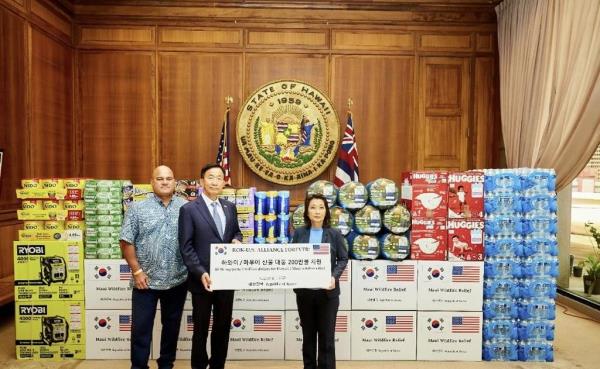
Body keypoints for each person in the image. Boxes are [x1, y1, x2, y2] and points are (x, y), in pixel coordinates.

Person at [120, 165, 188, 369]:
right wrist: (137, 271)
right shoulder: (137, 208)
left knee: (172, 327)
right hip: (145, 281)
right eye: (160, 178)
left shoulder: (185, 207)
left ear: (175, 182)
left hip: (177, 279)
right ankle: (139, 366)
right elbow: (126, 241)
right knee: (141, 328)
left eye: (169, 178)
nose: (165, 182)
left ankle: (166, 364)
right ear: (152, 182)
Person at [178, 163, 242, 369]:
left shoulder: (230, 207)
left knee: (223, 328)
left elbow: (236, 232)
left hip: (227, 279)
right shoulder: (189, 209)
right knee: (200, 329)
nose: (215, 181)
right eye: (210, 177)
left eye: (219, 178)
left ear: (224, 182)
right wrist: (200, 272)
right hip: (202, 280)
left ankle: (217, 365)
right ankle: (198, 366)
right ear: (201, 181)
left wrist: (237, 240)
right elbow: (186, 247)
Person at [292, 193, 349, 369]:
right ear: (307, 212)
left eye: (321, 207)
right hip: (305, 294)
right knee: (308, 337)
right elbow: (293, 258)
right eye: (313, 207)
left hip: (327, 295)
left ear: (326, 211)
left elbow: (343, 259)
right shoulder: (300, 233)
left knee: (326, 338)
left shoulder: (334, 233)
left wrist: (334, 276)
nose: (317, 211)